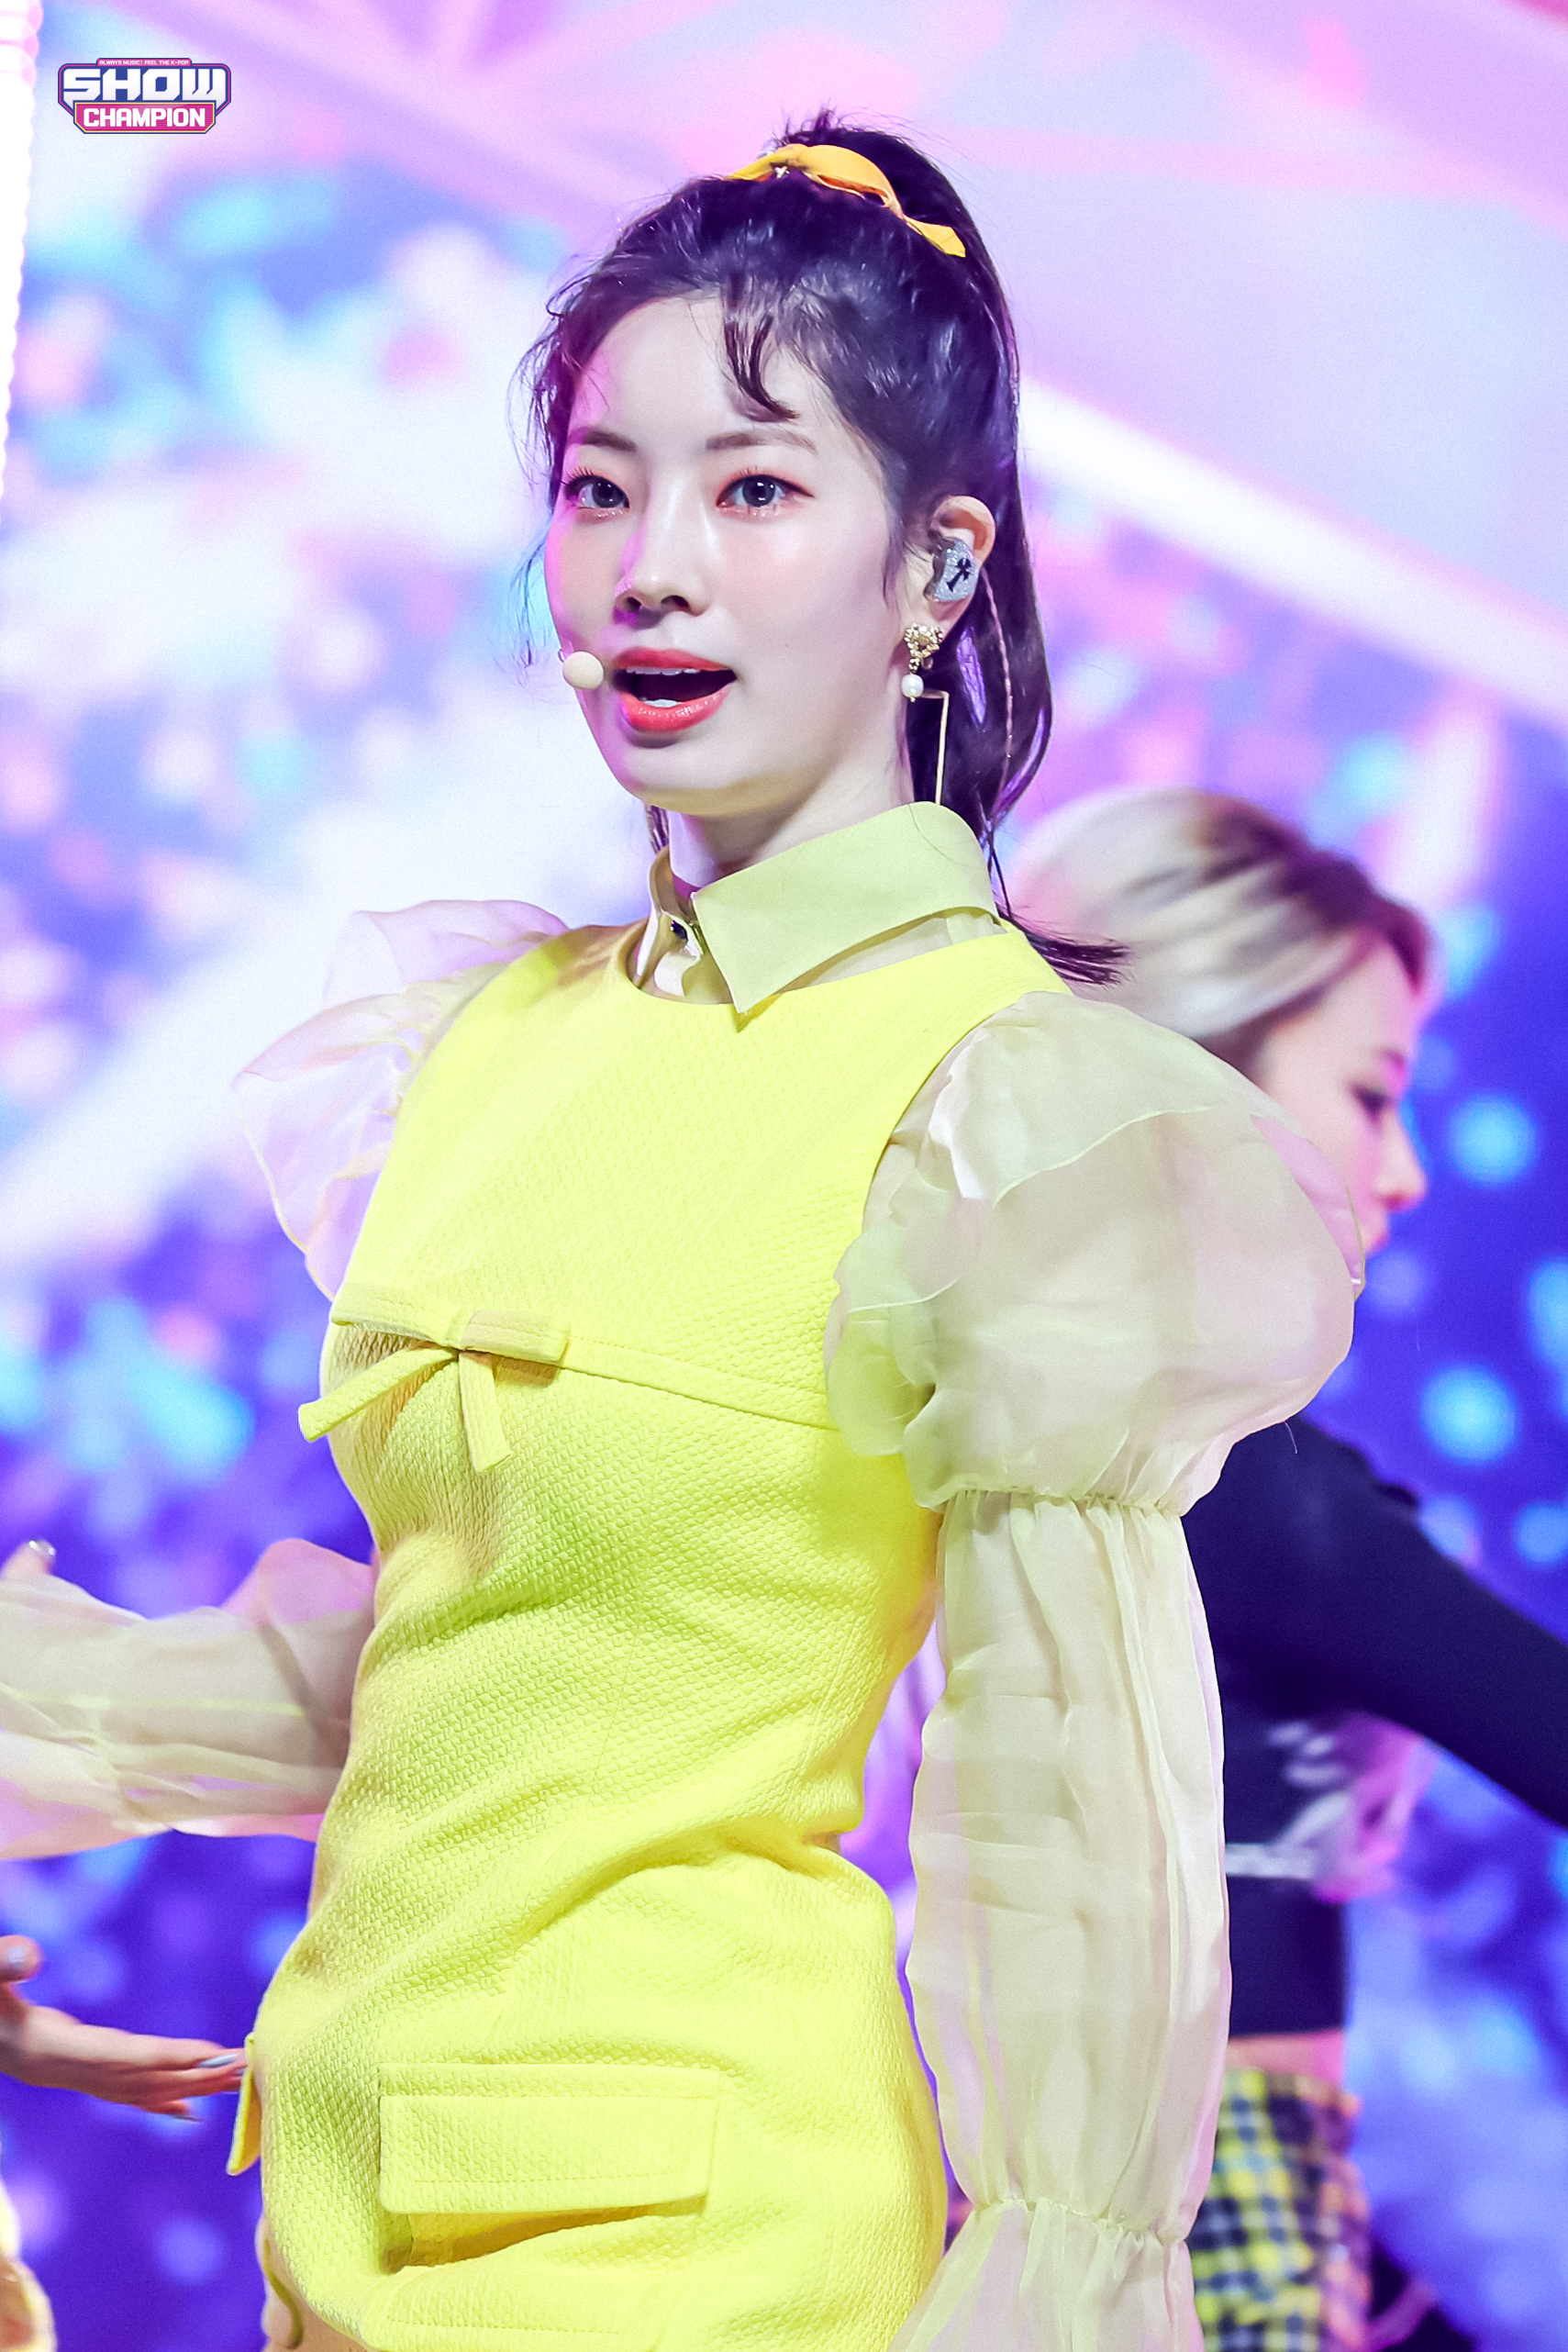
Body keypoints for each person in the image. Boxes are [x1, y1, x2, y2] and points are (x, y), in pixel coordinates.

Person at [0, 129, 1356, 2351]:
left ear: (934, 571)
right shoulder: (484, 1039)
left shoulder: (998, 1103)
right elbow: (469, 1664)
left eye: (755, 489)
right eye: (599, 490)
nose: (650, 571)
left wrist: (1056, 2297)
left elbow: (1068, 1843)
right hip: (344, 2235)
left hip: (702, 2260)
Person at [1013, 785, 1568, 2351]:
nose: (1404, 1171)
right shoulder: (1239, 1485)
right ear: (1200, 1088)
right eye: (1372, 1096)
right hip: (1220, 2230)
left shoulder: (977, 1421)